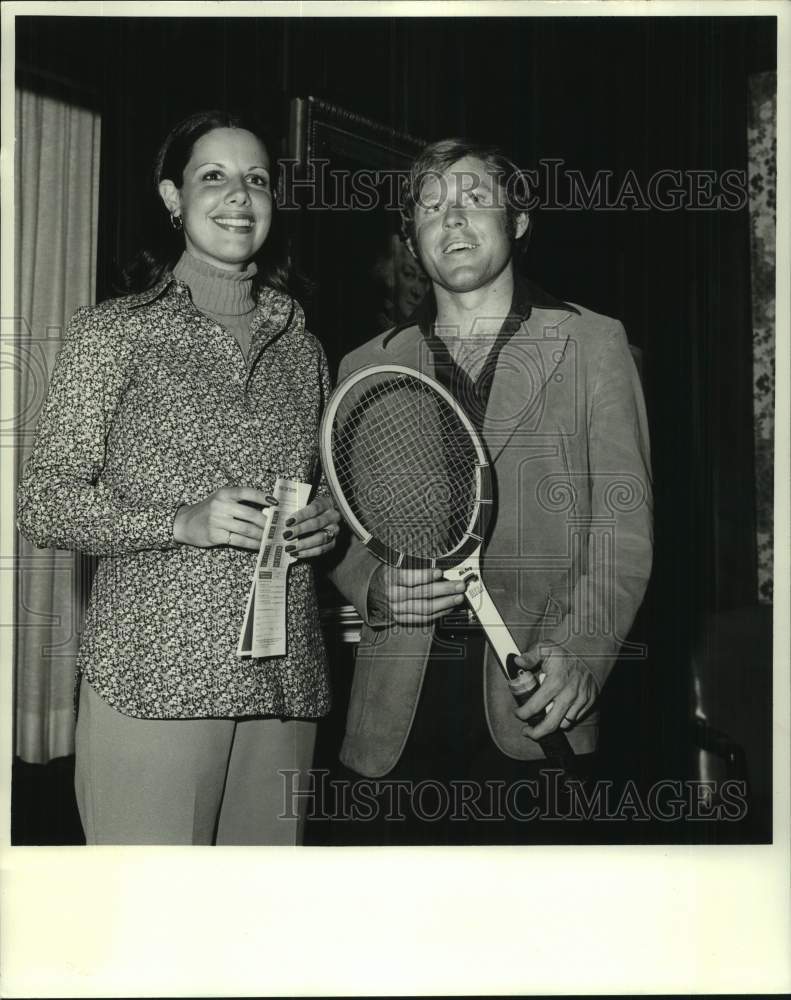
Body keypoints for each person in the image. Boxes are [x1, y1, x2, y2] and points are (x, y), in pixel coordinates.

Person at [17, 110, 340, 846]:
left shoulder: (306, 349)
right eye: (213, 177)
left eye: (255, 180)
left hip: (282, 688)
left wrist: (322, 526)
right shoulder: (114, 331)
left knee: (257, 938)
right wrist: (179, 521)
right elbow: (43, 503)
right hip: (153, 683)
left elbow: (311, 497)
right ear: (173, 199)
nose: (238, 197)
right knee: (154, 937)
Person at [325, 138, 653, 845]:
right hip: (392, 724)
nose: (453, 219)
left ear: (519, 220)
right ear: (410, 239)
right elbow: (334, 525)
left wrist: (583, 652)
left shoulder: (593, 343)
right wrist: (373, 584)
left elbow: (621, 534)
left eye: (475, 199)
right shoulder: (365, 364)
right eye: (431, 206)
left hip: (536, 705)